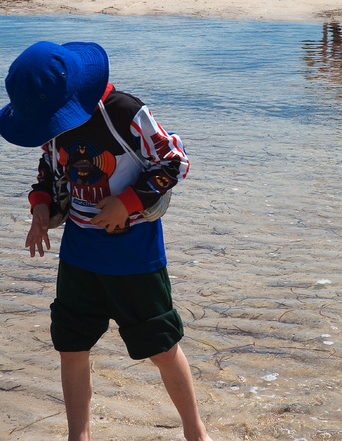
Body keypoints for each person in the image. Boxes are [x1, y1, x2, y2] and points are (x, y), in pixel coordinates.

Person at [0, 40, 212, 441]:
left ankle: (195, 432)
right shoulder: (52, 124)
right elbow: (50, 168)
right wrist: (41, 206)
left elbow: (175, 160)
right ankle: (77, 436)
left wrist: (127, 202)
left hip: (134, 254)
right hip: (79, 253)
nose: (48, 129)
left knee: (161, 346)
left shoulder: (125, 113)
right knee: (71, 345)